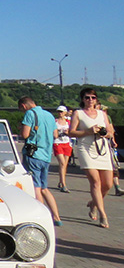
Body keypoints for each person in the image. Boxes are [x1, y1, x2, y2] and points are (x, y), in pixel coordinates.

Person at [68, 88, 115, 228]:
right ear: (83, 99)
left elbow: (111, 132)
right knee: (95, 181)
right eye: (87, 97)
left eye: (93, 97)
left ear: (96, 99)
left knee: (108, 184)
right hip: (86, 149)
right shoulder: (79, 114)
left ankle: (93, 203)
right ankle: (103, 214)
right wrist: (88, 131)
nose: (90, 100)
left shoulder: (102, 114)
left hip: (102, 149)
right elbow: (71, 132)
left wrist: (104, 133)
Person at [18, 96, 62, 226]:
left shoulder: (30, 114)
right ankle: (57, 217)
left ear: (24, 106)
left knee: (35, 187)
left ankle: (41, 218)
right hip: (47, 155)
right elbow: (55, 135)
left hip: (33, 154)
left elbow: (25, 134)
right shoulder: (49, 115)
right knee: (44, 188)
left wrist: (21, 128)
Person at [53, 106, 72, 193]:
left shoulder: (68, 122)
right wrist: (57, 133)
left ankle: (61, 181)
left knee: (64, 165)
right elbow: (53, 133)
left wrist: (67, 133)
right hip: (57, 143)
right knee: (62, 163)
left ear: (65, 112)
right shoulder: (55, 122)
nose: (60, 113)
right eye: (58, 111)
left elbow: (72, 133)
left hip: (67, 143)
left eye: (61, 111)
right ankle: (64, 184)